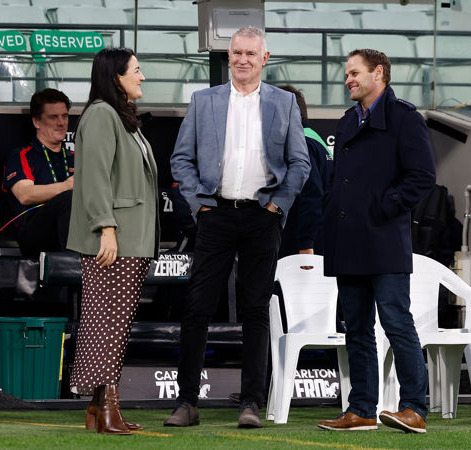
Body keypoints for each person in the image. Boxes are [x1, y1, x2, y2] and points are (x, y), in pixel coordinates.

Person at [166, 26, 310, 429]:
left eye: (250, 53)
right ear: (228, 56)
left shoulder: (284, 102)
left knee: (255, 310)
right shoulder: (203, 101)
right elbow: (181, 160)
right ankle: (187, 402)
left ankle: (250, 403)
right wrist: (199, 204)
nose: (242, 59)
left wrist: (277, 205)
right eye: (236, 53)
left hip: (262, 216)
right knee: (197, 307)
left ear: (265, 58)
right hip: (215, 214)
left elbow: (300, 162)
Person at [318, 49, 436, 434]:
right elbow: (339, 180)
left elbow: (422, 176)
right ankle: (362, 409)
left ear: (379, 73)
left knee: (396, 323)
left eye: (355, 73)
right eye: (347, 74)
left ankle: (414, 408)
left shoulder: (405, 118)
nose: (348, 80)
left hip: (384, 239)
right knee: (356, 328)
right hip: (348, 240)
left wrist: (385, 205)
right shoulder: (348, 121)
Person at [67, 47, 159, 435]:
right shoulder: (102, 114)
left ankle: (102, 406)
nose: (142, 76)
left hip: (129, 238)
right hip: (113, 239)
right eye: (136, 70)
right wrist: (106, 228)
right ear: (116, 77)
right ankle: (105, 408)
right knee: (106, 324)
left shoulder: (121, 116)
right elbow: (94, 177)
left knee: (114, 326)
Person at [2, 88, 74, 259]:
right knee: (70, 198)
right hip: (33, 234)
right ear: (36, 122)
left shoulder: (75, 157)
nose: (61, 123)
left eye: (64, 116)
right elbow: (25, 195)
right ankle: (73, 268)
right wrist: (67, 186)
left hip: (73, 230)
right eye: (53, 117)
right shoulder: (22, 155)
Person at [277, 85, 332, 258]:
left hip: (302, 247)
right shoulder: (314, 139)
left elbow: (312, 194)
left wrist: (306, 243)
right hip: (320, 238)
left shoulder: (302, 144)